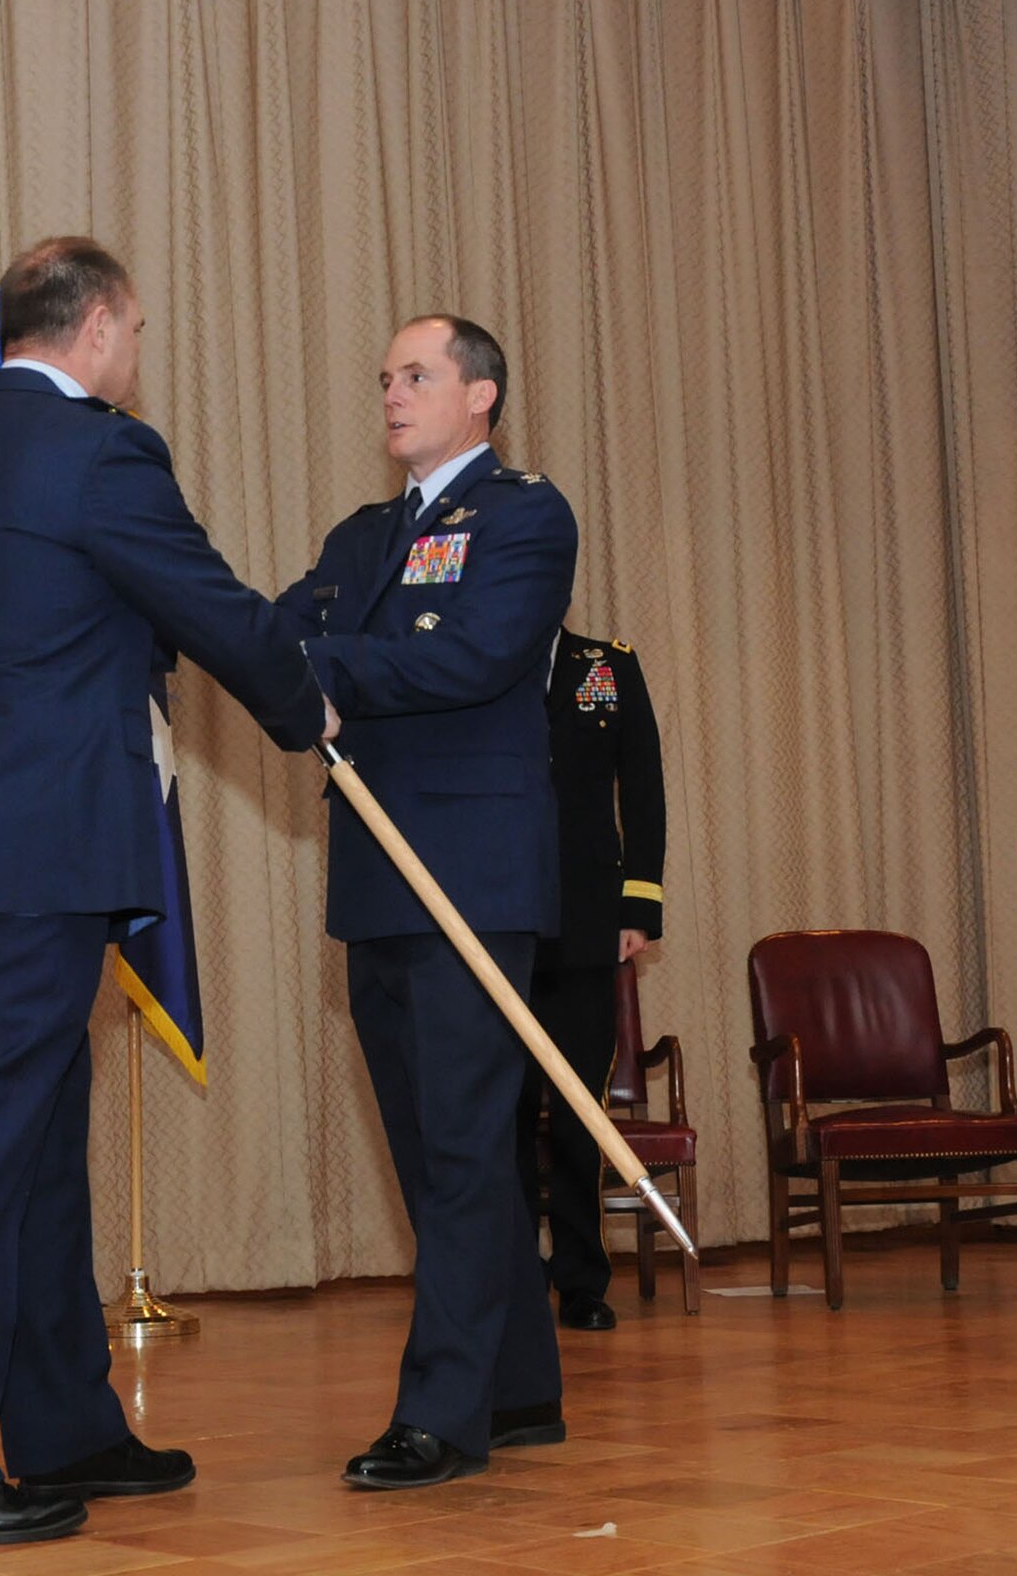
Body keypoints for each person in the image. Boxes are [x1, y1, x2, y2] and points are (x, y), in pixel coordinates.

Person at [0, 236, 333, 1548]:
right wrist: (308, 706)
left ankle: (60, 1421)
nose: (137, 350)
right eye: (137, 328)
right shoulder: (105, 453)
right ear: (104, 325)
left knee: (35, 1137)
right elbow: (213, 608)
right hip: (37, 852)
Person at [279, 314, 577, 1490]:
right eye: (385, 377)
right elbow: (285, 628)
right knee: (430, 1150)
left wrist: (325, 666)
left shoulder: (521, 516)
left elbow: (473, 658)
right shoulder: (361, 535)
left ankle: (440, 1415)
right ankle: (519, 1387)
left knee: (458, 1147)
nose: (392, 394)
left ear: (480, 395)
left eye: (415, 375)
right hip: (376, 873)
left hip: (471, 876)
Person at [524, 628, 666, 1332]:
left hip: (586, 921)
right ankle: (515, 1279)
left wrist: (639, 905)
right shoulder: (477, 651)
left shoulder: (606, 665)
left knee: (580, 1111)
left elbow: (641, 784)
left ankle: (581, 1279)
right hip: (500, 920)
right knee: (504, 1114)